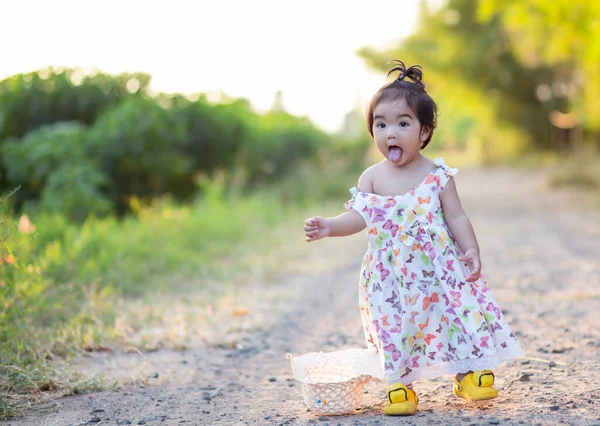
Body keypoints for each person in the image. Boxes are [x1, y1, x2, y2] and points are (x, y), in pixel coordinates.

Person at [303, 60, 522, 416]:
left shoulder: (437, 174)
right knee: (396, 328)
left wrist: (471, 249)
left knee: (455, 316)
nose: (391, 133)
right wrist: (329, 226)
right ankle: (399, 384)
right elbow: (359, 217)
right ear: (372, 130)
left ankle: (468, 373)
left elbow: (456, 215)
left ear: (424, 132)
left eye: (403, 123)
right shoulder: (371, 178)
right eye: (381, 124)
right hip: (391, 277)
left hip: (440, 269)